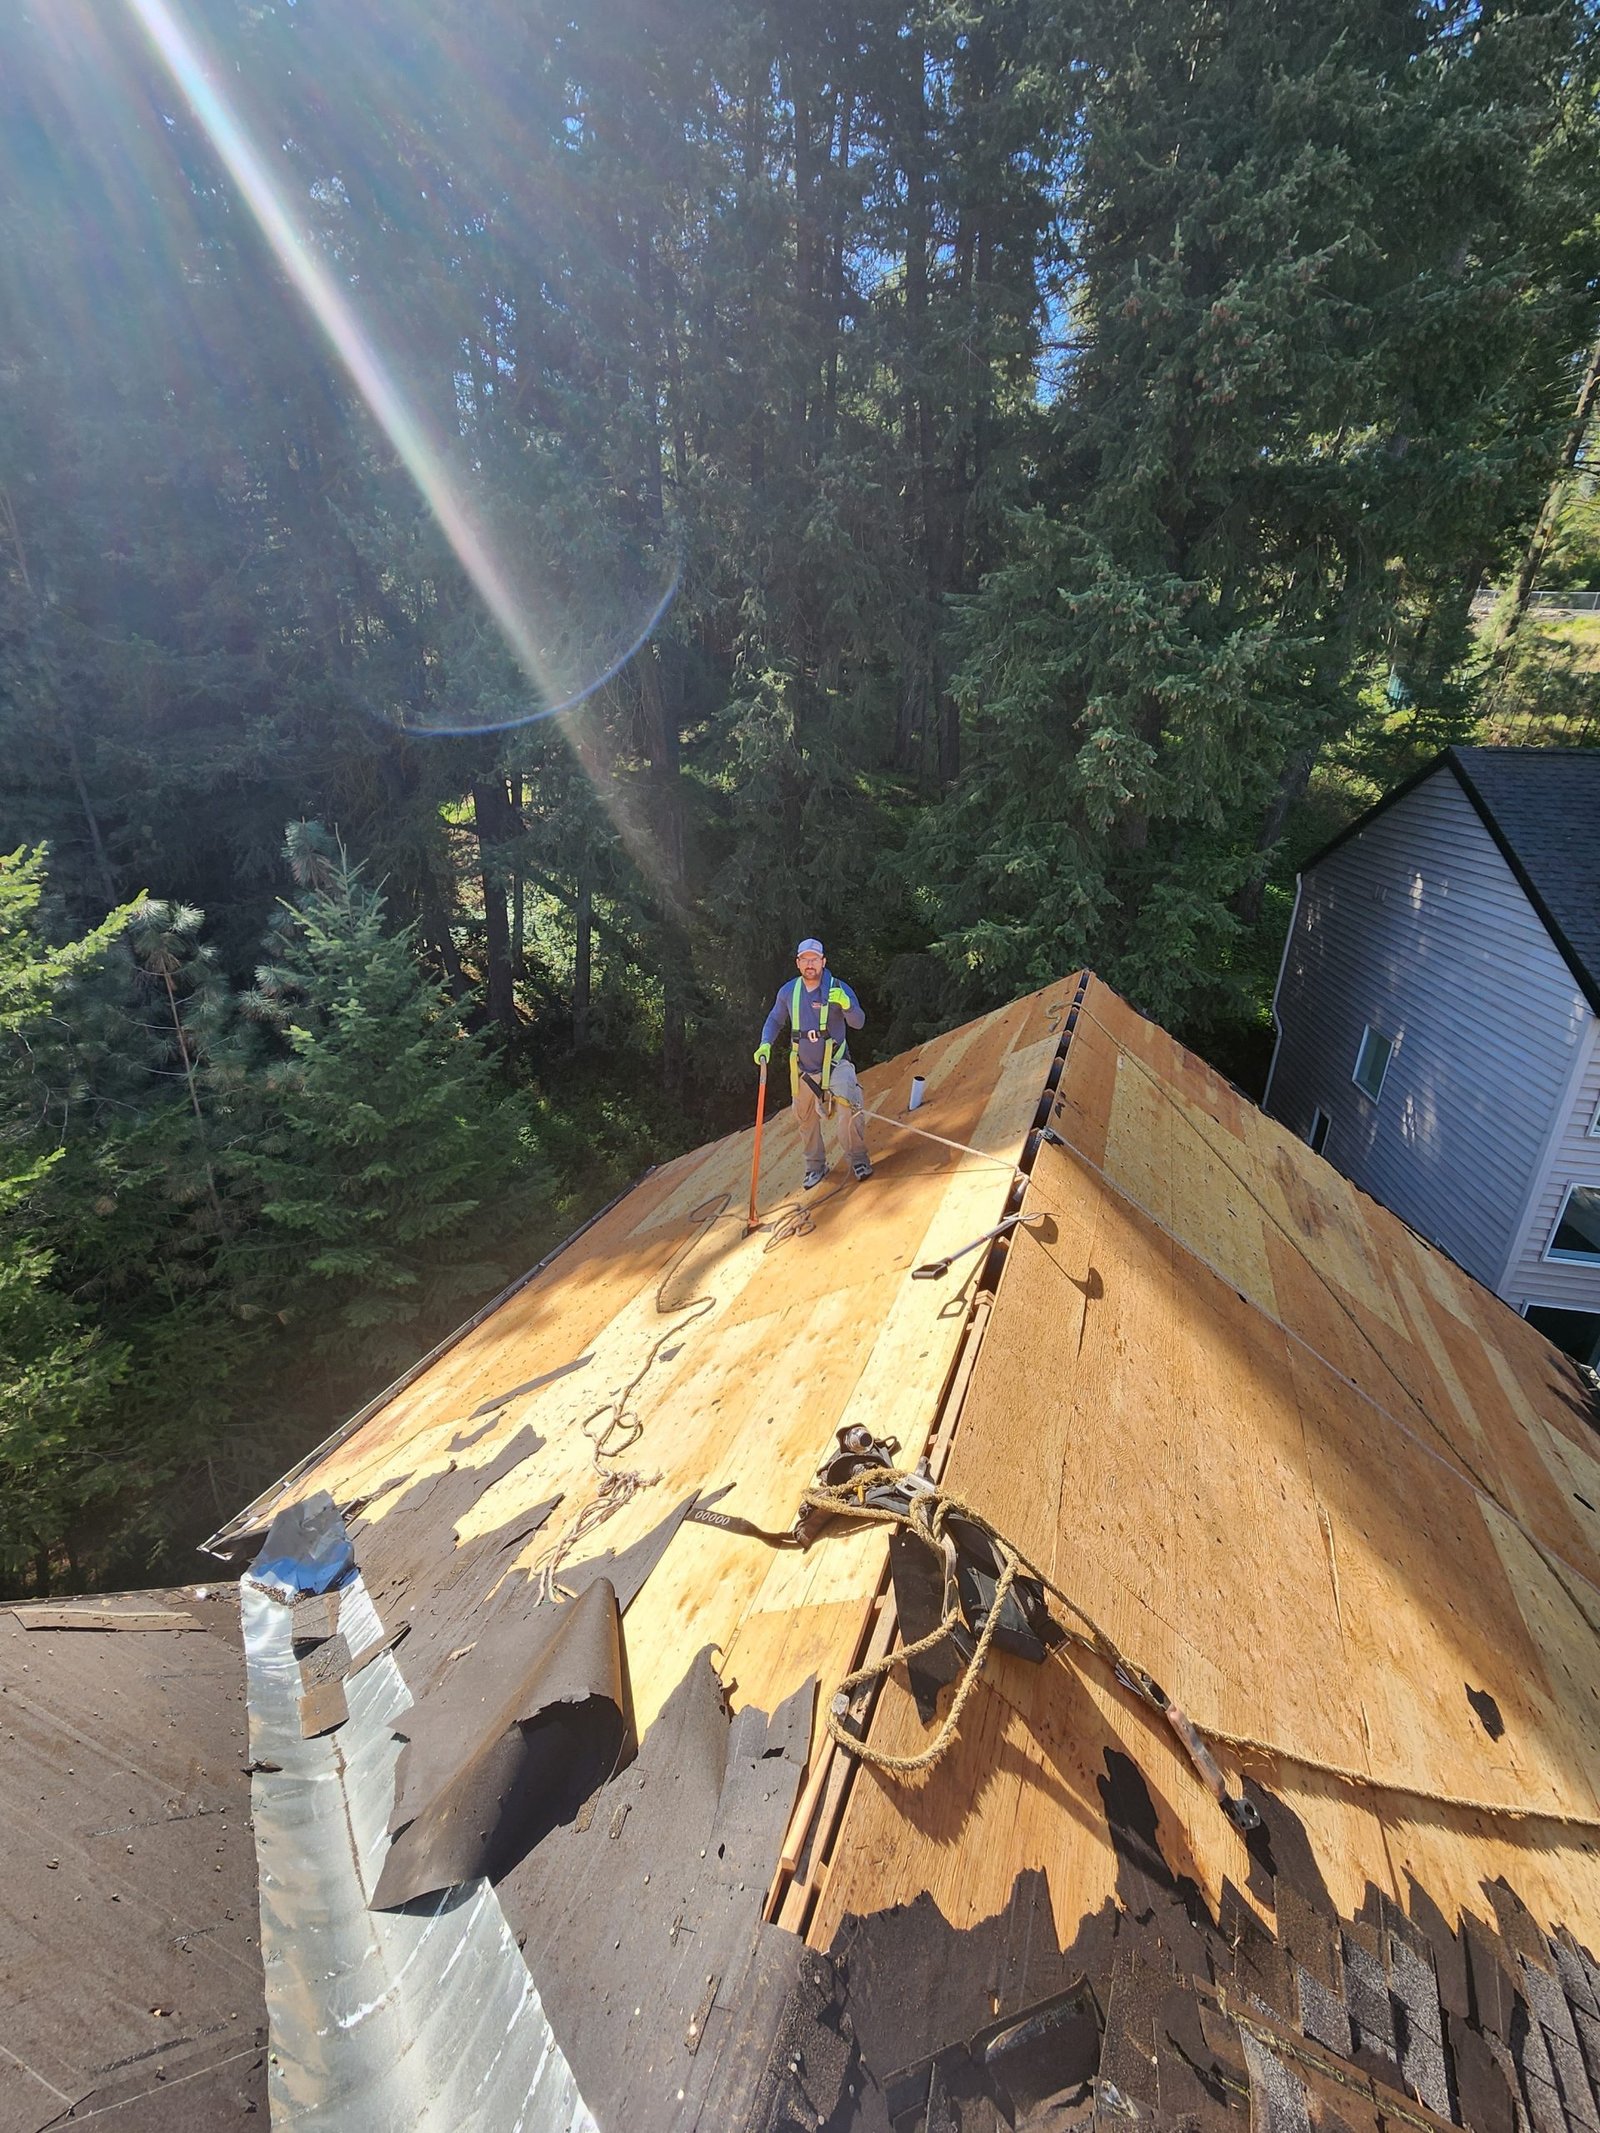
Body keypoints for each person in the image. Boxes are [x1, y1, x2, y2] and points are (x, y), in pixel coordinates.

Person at [754, 938, 871, 1188]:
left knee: (849, 1106)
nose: (810, 964)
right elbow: (775, 1020)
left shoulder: (838, 988)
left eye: (815, 959)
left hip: (836, 1063)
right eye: (805, 959)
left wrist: (847, 1005)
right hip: (804, 1069)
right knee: (805, 1118)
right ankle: (815, 1167)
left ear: (823, 962)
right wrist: (765, 1043)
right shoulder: (788, 992)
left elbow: (859, 1022)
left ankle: (859, 1159)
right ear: (798, 963)